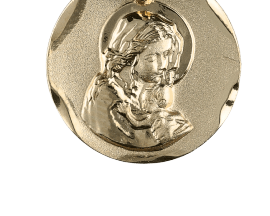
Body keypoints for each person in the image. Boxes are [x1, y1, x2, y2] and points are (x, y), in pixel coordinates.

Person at [82, 10, 193, 149]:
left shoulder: (155, 88)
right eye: (152, 58)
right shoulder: (105, 94)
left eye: (166, 55)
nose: (163, 65)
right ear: (130, 59)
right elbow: (125, 135)